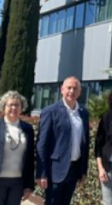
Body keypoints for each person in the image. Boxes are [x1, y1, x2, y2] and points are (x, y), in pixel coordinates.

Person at [37, 76, 90, 205]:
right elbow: (42, 144)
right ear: (62, 89)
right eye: (69, 88)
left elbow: (85, 143)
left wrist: (83, 170)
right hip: (55, 170)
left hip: (74, 169)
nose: (71, 91)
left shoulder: (83, 113)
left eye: (75, 88)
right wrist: (41, 173)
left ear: (80, 92)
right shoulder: (50, 111)